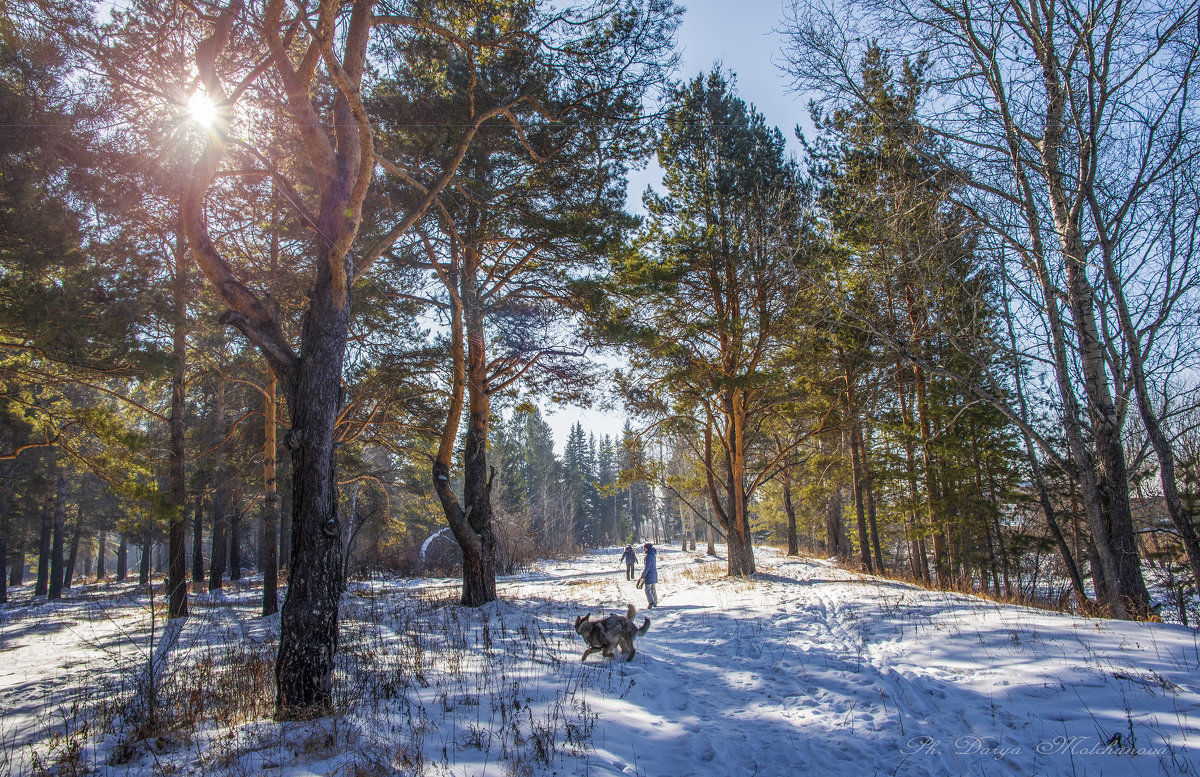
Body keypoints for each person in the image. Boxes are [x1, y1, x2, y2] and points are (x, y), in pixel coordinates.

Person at [638, 542, 658, 608]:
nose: (644, 549)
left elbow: (647, 567)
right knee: (653, 588)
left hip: (649, 575)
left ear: (647, 548)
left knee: (648, 589)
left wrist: (642, 576)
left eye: (645, 548)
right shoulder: (653, 555)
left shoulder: (648, 556)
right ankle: (655, 602)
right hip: (654, 574)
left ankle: (651, 602)